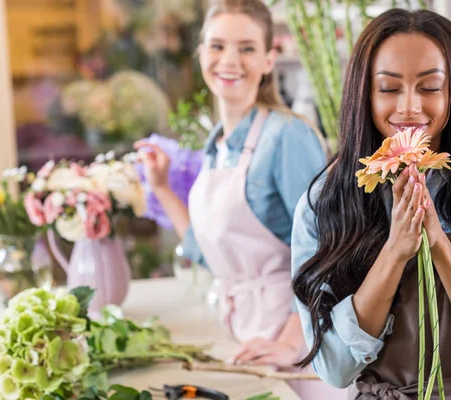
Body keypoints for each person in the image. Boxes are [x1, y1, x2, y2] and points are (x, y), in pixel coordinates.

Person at [291, 8, 451, 399]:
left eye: (429, 88)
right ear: (364, 93)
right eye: (389, 89)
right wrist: (395, 251)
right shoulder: (326, 202)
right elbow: (334, 367)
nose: (408, 107)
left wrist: (439, 243)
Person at [136, 0, 344, 398]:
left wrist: (288, 342)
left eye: (246, 48)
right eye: (216, 46)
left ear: (269, 59)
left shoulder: (286, 136)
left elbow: (330, 250)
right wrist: (161, 187)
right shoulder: (218, 144)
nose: (229, 59)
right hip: (247, 338)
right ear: (200, 54)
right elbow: (202, 250)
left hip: (298, 347)